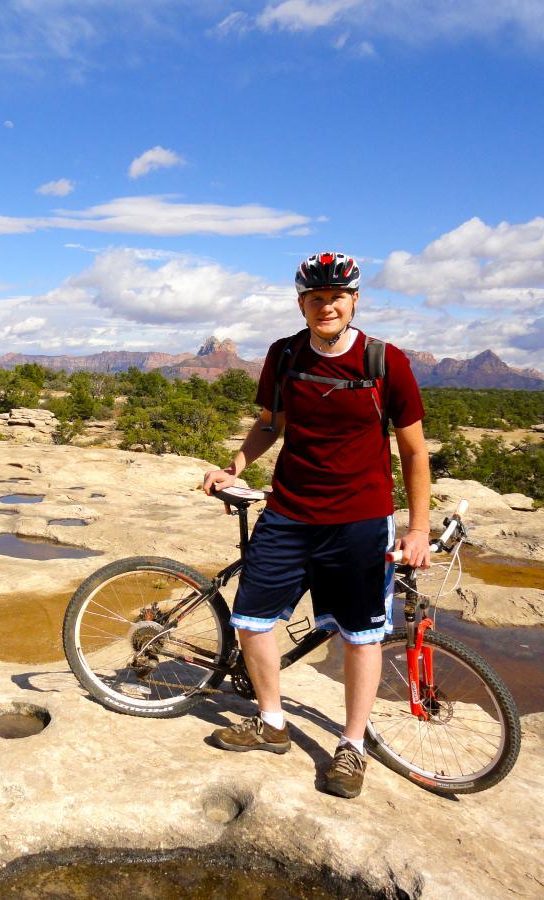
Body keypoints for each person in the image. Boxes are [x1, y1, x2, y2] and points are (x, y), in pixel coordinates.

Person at [201, 251, 431, 799]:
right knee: (251, 619)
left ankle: (351, 746)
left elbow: (414, 451)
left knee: (360, 635)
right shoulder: (284, 356)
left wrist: (418, 528)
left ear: (353, 302)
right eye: (315, 298)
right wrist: (234, 466)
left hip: (359, 522)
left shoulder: (385, 361)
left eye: (336, 297)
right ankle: (272, 722)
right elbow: (270, 425)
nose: (326, 306)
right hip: (288, 513)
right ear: (301, 303)